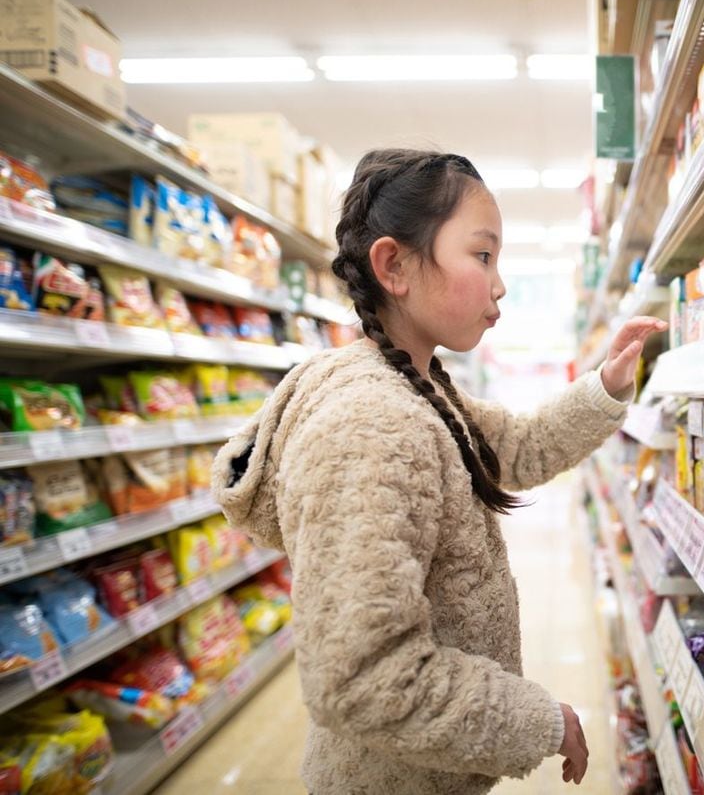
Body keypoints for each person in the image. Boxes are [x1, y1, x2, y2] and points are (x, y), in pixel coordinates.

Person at [211, 149, 665, 795]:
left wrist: (607, 384)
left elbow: (520, 446)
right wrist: (542, 720)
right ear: (394, 265)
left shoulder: (417, 385)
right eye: (482, 256)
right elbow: (365, 677)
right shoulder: (371, 426)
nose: (499, 284)